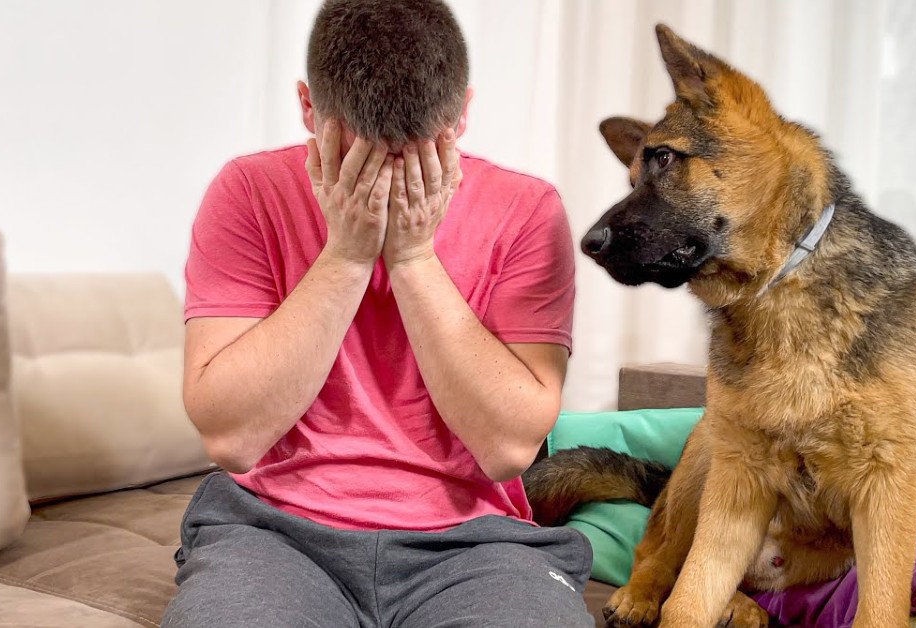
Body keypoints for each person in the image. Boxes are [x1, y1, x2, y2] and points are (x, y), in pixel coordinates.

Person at [160, 1, 593, 626]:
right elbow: (232, 437)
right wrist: (345, 256)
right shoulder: (248, 192)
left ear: (462, 114)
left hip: (477, 545)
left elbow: (507, 449)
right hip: (274, 531)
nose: (390, 183)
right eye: (362, 154)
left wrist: (414, 257)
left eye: (416, 154)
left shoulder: (528, 210)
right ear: (310, 110)